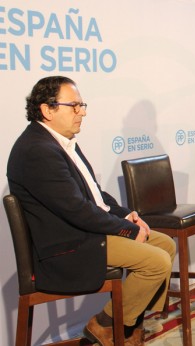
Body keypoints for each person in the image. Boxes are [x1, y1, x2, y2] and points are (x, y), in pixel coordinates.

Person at [6, 76, 176, 346]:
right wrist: (129, 231)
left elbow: (94, 193)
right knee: (156, 262)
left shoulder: (60, 142)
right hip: (68, 245)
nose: (82, 112)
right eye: (73, 105)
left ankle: (130, 325)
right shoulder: (37, 150)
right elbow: (77, 211)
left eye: (81, 105)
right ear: (47, 110)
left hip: (84, 232)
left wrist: (125, 215)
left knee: (164, 244)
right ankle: (106, 324)